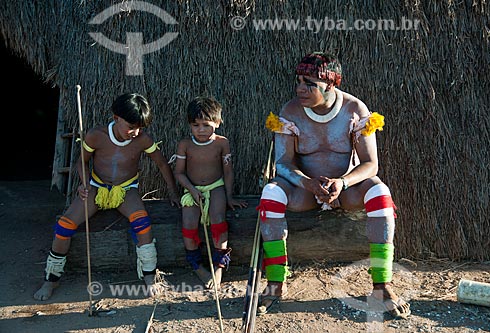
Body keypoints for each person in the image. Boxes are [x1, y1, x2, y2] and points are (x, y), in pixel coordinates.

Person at [256, 52, 411, 318]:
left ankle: (382, 285)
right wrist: (307, 182)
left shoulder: (355, 110)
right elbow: (283, 163)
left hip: (347, 190)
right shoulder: (290, 111)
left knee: (380, 193)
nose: (300, 89)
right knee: (270, 193)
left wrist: (342, 182)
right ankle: (275, 283)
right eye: (299, 81)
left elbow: (370, 164)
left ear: (330, 85)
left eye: (309, 84)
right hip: (304, 191)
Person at [34, 92, 180, 301]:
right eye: (131, 126)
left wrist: (172, 192)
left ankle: (149, 276)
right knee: (64, 226)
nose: (135, 132)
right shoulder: (96, 135)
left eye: (140, 127)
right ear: (116, 118)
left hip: (126, 189)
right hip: (96, 186)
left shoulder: (143, 139)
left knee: (142, 223)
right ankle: (51, 279)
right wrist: (84, 185)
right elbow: (81, 162)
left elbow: (162, 164)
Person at [173, 96, 247, 289]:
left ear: (217, 122)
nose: (201, 130)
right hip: (192, 188)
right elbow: (179, 173)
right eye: (195, 125)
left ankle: (219, 265)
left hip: (216, 186)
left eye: (206, 125)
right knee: (189, 224)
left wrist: (229, 196)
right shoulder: (185, 145)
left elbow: (228, 171)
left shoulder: (222, 143)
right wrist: (192, 190)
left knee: (217, 219)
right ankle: (197, 266)